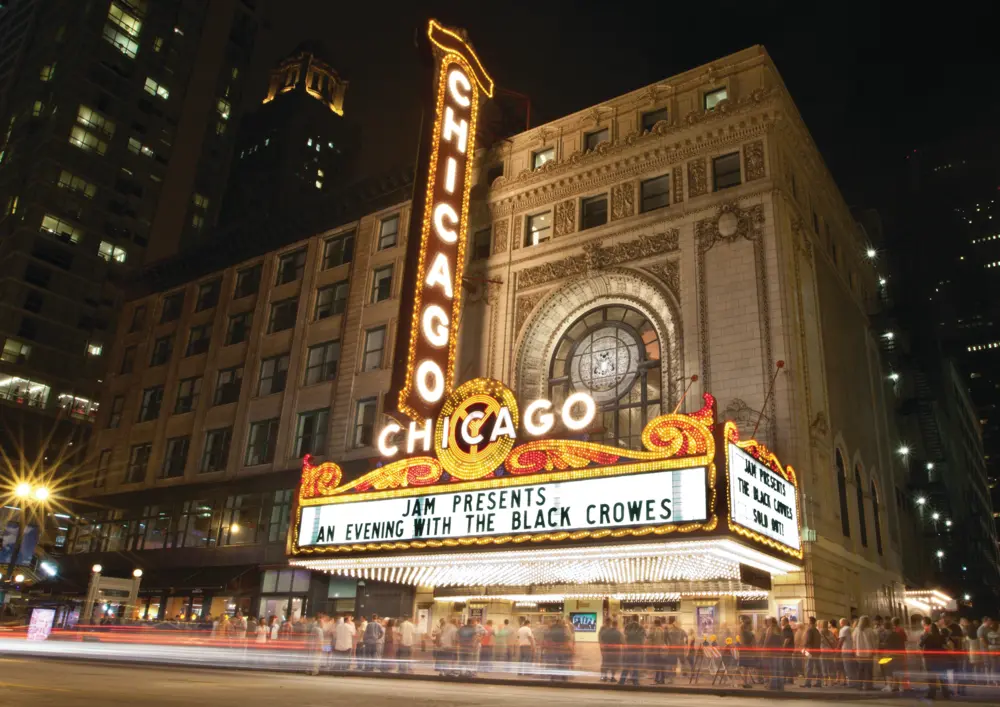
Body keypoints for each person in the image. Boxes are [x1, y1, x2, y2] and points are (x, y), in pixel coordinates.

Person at [921, 617, 950, 699]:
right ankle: (946, 693)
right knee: (943, 676)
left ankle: (932, 693)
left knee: (932, 678)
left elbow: (920, 644)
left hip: (930, 659)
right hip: (941, 658)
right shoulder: (940, 636)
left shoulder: (927, 636)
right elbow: (945, 645)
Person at [881, 617, 906, 693]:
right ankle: (901, 686)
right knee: (898, 670)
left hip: (888, 655)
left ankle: (889, 686)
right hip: (899, 654)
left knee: (888, 670)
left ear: (884, 627)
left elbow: (884, 645)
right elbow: (902, 643)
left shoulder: (884, 635)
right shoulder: (897, 634)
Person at [619, 614, 645, 687]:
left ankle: (622, 681)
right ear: (638, 619)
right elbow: (642, 640)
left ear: (631, 618)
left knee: (626, 666)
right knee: (636, 666)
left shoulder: (627, 627)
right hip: (637, 649)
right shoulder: (640, 627)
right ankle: (635, 681)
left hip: (628, 649)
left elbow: (624, 637)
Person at [853, 615, 877, 691]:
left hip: (859, 653)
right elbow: (873, 642)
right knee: (868, 670)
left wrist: (854, 651)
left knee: (860, 670)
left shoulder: (856, 630)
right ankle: (868, 685)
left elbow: (853, 642)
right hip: (868, 653)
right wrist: (874, 651)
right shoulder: (870, 630)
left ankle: (859, 685)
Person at [764, 617, 784, 690]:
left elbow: (767, 640)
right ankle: (780, 685)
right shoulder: (779, 629)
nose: (767, 623)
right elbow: (782, 640)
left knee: (773, 668)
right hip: (780, 651)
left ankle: (773, 685)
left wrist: (764, 648)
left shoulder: (770, 629)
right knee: (779, 668)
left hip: (772, 652)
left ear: (771, 622)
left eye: (768, 621)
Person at [802, 616, 822, 687]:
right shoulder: (816, 630)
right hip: (817, 651)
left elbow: (808, 641)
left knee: (809, 667)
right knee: (817, 667)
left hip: (810, 651)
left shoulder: (810, 630)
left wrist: (804, 648)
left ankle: (808, 683)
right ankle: (818, 682)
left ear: (810, 622)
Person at [647, 617, 667, 684]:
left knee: (658, 665)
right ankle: (660, 679)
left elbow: (649, 637)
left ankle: (658, 679)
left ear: (655, 624)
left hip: (657, 650)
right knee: (661, 665)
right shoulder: (662, 630)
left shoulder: (655, 630)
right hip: (662, 650)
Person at [839, 617, 856, 688]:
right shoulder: (851, 629)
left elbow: (841, 640)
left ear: (842, 623)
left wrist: (837, 649)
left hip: (846, 650)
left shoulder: (843, 629)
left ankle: (851, 682)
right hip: (852, 650)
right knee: (853, 667)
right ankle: (855, 681)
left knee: (847, 667)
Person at [780, 616, 795, 684]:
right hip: (789, 649)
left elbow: (787, 639)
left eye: (782, 621)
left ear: (785, 621)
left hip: (787, 649)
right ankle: (789, 679)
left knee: (785, 664)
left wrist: (783, 648)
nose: (781, 622)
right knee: (788, 664)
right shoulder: (788, 628)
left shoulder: (786, 629)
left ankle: (786, 679)